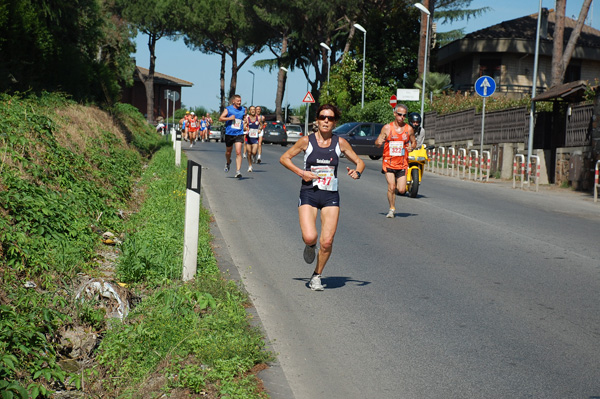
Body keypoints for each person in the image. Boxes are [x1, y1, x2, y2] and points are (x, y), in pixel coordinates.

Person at [280, 104, 365, 291]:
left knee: (326, 241)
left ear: (335, 122)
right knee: (310, 236)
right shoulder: (306, 141)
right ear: (317, 120)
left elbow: (359, 162)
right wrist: (301, 172)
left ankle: (317, 275)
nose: (326, 121)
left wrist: (357, 172)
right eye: (323, 117)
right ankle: (310, 246)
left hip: (330, 196)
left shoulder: (340, 143)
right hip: (309, 193)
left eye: (331, 118)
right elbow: (284, 158)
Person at [375, 104, 417, 218]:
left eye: (404, 115)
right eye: (399, 114)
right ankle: (392, 209)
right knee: (391, 187)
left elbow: (414, 142)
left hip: (402, 163)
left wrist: (411, 147)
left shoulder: (409, 129)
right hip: (388, 162)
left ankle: (394, 201)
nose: (402, 117)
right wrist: (379, 142)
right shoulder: (387, 128)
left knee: (402, 190)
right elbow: (377, 142)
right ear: (395, 114)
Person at [219, 94, 246, 178]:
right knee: (228, 152)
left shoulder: (243, 109)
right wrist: (229, 118)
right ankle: (228, 162)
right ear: (233, 101)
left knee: (238, 152)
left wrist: (245, 122)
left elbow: (244, 118)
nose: (239, 102)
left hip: (239, 133)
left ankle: (238, 171)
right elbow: (220, 118)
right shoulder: (228, 109)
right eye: (238, 101)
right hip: (229, 133)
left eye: (240, 101)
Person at [244, 106, 261, 172]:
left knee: (254, 152)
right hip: (248, 138)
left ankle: (254, 156)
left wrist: (260, 129)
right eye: (251, 110)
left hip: (255, 138)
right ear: (249, 111)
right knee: (249, 153)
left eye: (254, 110)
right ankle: (250, 166)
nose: (253, 111)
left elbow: (261, 126)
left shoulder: (258, 118)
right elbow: (244, 127)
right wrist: (246, 128)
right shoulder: (247, 119)